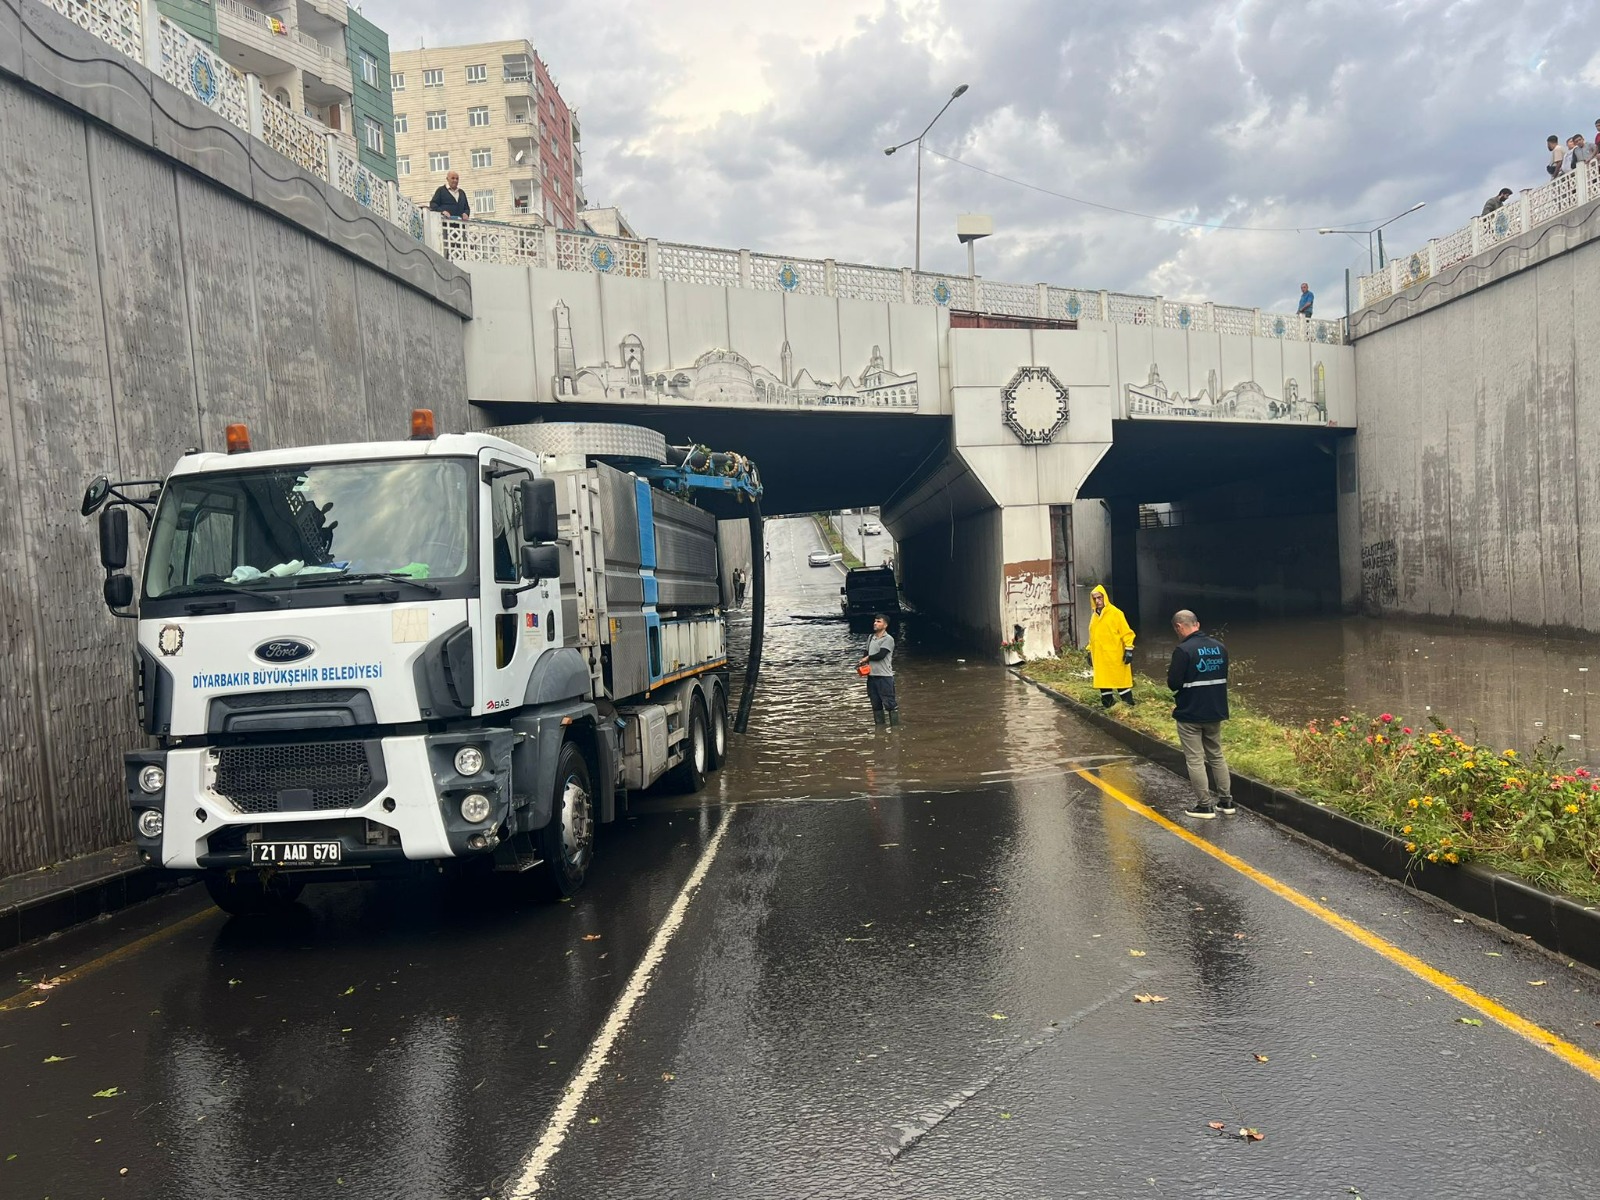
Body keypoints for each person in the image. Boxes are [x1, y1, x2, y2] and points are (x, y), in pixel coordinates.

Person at [1168, 609, 1233, 820]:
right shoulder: (1219, 647)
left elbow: (1173, 684)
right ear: (1197, 623)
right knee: (1216, 755)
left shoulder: (1183, 650)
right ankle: (1226, 801)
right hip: (1216, 710)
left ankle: (1205, 807)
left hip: (1190, 713)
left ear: (1179, 626)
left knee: (1195, 760)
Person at [1085, 584, 1135, 708]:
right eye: (1095, 599)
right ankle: (1108, 704)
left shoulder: (1116, 613)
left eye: (1100, 598)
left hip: (1115, 655)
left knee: (1121, 681)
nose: (1097, 601)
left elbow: (1126, 632)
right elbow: (1093, 636)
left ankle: (1128, 705)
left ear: (1105, 597)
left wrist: (1129, 649)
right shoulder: (1094, 617)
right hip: (1100, 657)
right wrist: (1090, 651)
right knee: (1103, 682)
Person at [858, 613, 899, 727]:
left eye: (879, 621)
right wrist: (863, 661)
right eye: (875, 621)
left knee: (890, 705)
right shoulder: (871, 637)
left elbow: (881, 655)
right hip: (871, 677)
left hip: (884, 677)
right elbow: (866, 653)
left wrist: (868, 658)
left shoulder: (888, 639)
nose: (875, 623)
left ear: (885, 625)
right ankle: (880, 729)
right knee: (875, 705)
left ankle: (895, 729)